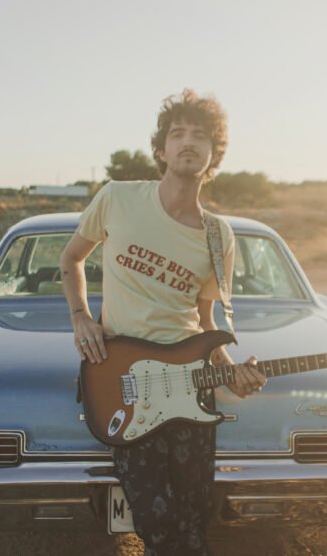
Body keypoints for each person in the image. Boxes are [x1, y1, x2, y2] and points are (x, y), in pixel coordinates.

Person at [59, 89, 267, 555]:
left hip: (192, 385)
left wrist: (232, 371)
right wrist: (81, 318)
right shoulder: (117, 198)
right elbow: (71, 259)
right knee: (156, 518)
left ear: (214, 154)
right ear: (161, 150)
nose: (188, 141)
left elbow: (206, 321)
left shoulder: (218, 234)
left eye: (200, 135)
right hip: (124, 380)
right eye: (178, 133)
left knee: (193, 518)